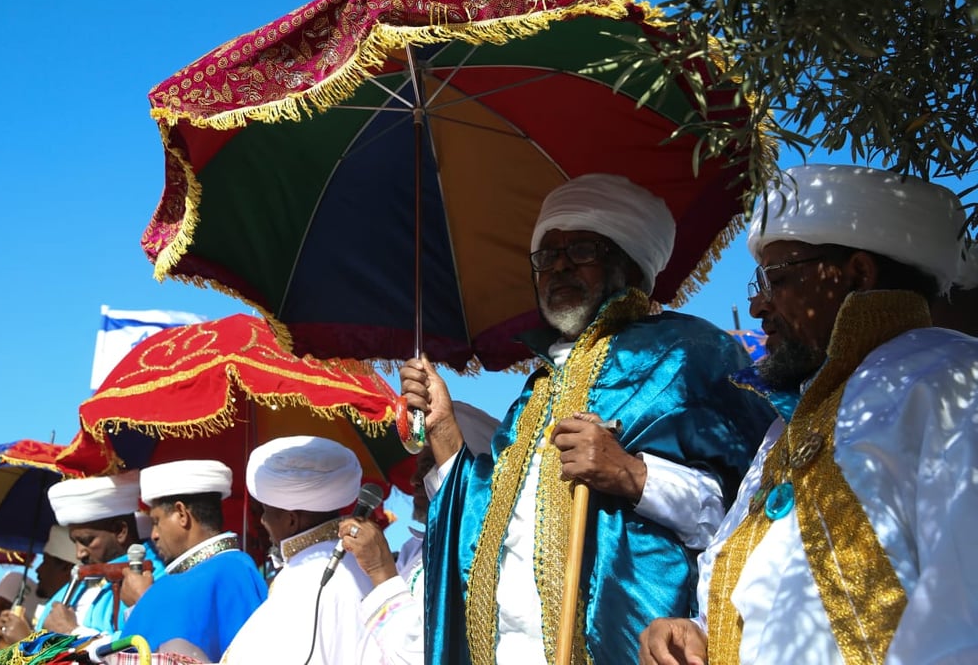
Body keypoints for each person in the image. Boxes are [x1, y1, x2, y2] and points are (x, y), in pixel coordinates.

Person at [402, 173, 777, 665]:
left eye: (580, 250)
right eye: (546, 256)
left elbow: (754, 512)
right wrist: (444, 428)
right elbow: (481, 525)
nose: (558, 268)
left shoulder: (692, 354)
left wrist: (633, 474)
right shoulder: (535, 390)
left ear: (630, 264)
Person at [639, 164, 978, 665]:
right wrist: (697, 631)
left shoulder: (949, 379)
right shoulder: (787, 429)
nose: (757, 304)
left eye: (776, 279)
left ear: (857, 274)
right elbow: (767, 597)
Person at [341, 403, 499, 665]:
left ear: (465, 473)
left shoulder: (480, 552)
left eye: (427, 465)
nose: (414, 479)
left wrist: (382, 571)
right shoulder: (413, 549)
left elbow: (422, 654)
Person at [221, 436, 373, 665]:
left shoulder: (309, 578)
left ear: (291, 520)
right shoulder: (356, 565)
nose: (262, 520)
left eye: (266, 511)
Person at [118, 460, 266, 660]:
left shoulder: (229, 570)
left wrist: (145, 601)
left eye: (156, 521)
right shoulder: (233, 568)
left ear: (181, 514)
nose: (153, 535)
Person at [0, 473, 162, 647]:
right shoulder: (73, 588)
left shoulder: (157, 576)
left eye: (87, 541)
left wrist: (72, 632)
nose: (79, 554)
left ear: (120, 531)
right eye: (75, 542)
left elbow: (151, 646)